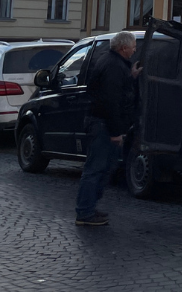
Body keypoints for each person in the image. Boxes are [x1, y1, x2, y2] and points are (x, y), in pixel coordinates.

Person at [75, 31, 141, 226]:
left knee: (102, 167)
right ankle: (85, 212)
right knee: (96, 168)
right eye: (133, 46)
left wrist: (132, 76)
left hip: (100, 122)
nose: (135, 50)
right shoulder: (113, 66)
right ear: (123, 48)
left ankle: (88, 209)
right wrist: (115, 132)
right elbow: (111, 101)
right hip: (103, 125)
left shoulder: (109, 61)